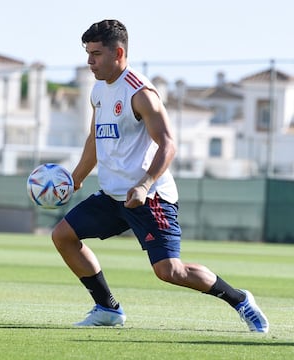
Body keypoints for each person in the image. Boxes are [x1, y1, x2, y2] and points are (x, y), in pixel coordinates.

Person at [51, 19, 269, 333]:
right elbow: (94, 139)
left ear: (119, 53)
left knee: (169, 271)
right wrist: (75, 178)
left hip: (150, 198)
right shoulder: (98, 91)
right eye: (88, 53)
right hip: (113, 196)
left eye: (96, 54)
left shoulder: (141, 94)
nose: (89, 62)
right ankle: (107, 308)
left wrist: (145, 184)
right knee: (63, 236)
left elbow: (168, 144)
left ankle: (239, 299)